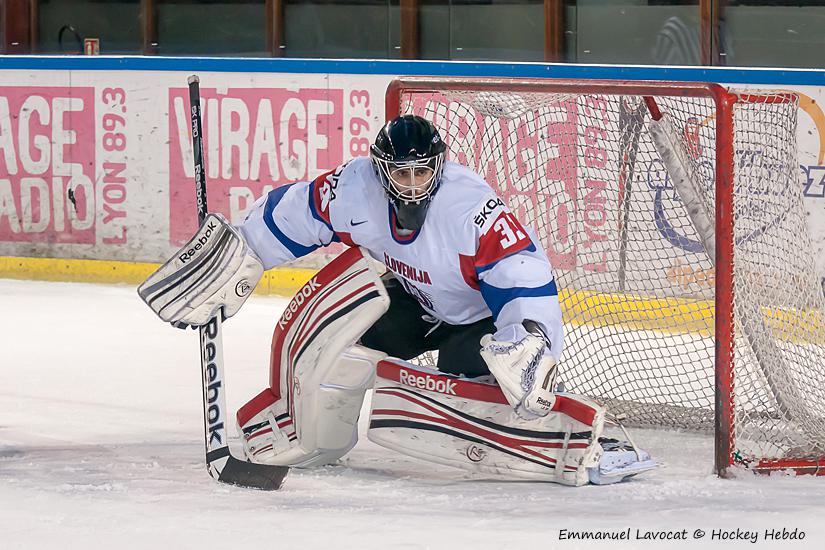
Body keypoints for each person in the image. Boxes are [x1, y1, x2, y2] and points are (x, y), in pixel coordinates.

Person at [139, 114, 655, 484]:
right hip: (412, 299)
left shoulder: (469, 208)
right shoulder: (354, 187)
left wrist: (530, 339)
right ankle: (317, 437)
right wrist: (239, 252)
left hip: (475, 319)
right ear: (380, 167)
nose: (411, 184)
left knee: (478, 395)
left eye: (422, 171)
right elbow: (295, 211)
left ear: (439, 167)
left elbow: (522, 271)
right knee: (341, 343)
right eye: (400, 172)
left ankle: (567, 440)